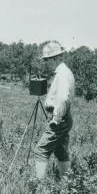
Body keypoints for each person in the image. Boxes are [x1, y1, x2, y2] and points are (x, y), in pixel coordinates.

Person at [34, 41, 75, 180]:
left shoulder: (62, 74)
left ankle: (37, 186)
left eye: (47, 59)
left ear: (56, 57)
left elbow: (63, 98)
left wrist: (55, 119)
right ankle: (67, 183)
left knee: (40, 150)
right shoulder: (64, 72)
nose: (46, 62)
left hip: (59, 118)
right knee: (61, 151)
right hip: (64, 116)